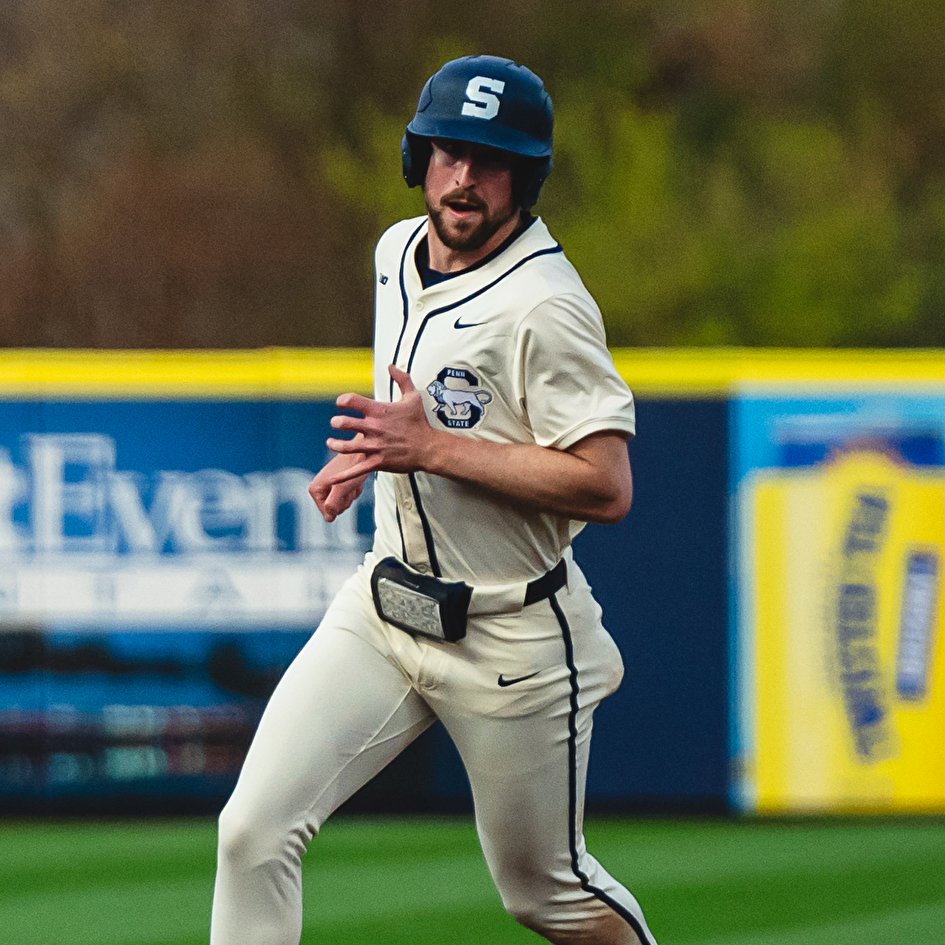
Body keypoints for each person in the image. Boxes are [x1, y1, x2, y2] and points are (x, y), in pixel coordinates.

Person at [210, 54, 659, 945]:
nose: (465, 177)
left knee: (547, 893)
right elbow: (419, 401)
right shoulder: (394, 251)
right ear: (420, 157)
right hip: (386, 607)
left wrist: (430, 448)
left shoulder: (546, 305)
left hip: (512, 637)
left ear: (525, 176)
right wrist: (377, 457)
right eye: (450, 150)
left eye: (492, 160)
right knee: (251, 834)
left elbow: (607, 485)